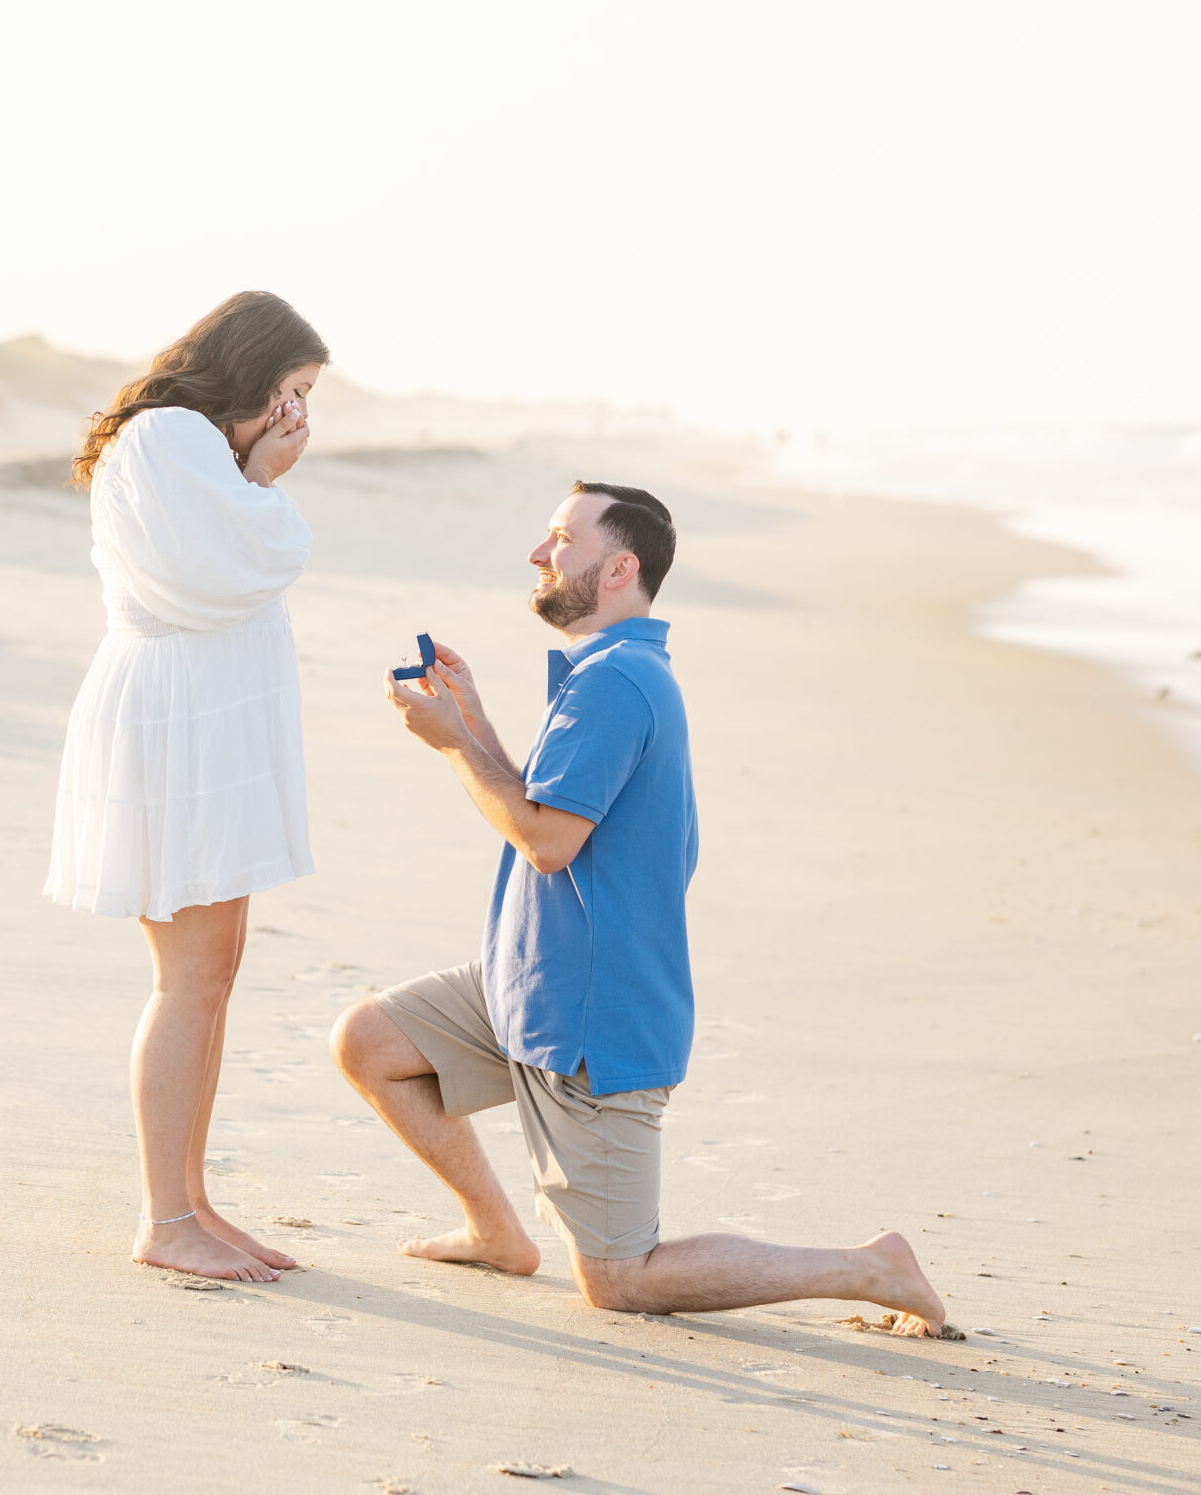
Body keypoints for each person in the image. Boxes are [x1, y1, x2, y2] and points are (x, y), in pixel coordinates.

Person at [334, 481, 952, 1333]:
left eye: (561, 538)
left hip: (594, 1018)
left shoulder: (615, 684)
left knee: (620, 1279)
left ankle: (869, 1267)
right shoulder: (612, 670)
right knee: (369, 1039)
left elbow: (545, 841)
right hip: (532, 978)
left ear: (620, 568)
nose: (539, 553)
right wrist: (469, 722)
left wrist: (451, 747)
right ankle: (495, 1229)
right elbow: (543, 809)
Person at [47, 290, 328, 1283]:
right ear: (251, 371)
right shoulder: (167, 436)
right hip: (177, 723)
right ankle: (164, 1219)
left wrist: (253, 476)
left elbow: (246, 553)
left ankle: (192, 1201)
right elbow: (221, 572)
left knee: (214, 971)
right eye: (293, 390)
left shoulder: (199, 450)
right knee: (188, 976)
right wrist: (263, 478)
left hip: (209, 722)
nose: (298, 414)